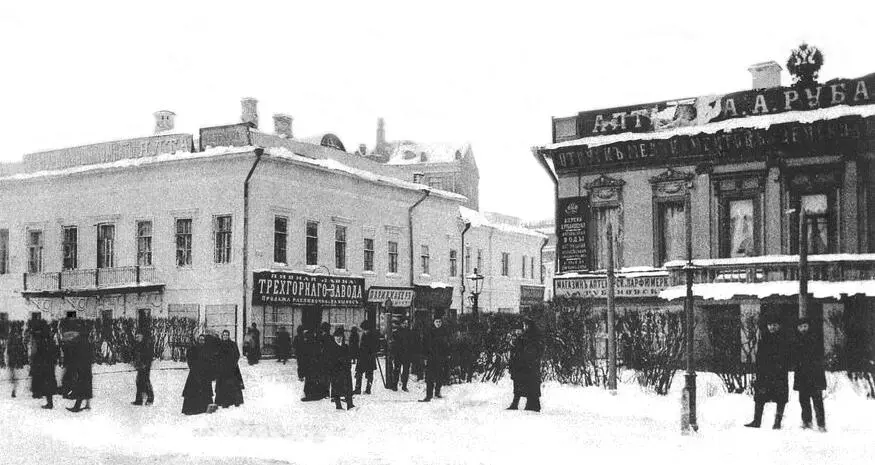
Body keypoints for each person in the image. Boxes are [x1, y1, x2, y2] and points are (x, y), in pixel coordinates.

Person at [745, 315, 790, 429]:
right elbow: (760, 357)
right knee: (760, 397)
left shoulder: (784, 339)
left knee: (781, 398)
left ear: (779, 326)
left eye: (774, 325)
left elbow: (787, 356)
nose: (772, 327)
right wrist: (758, 371)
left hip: (779, 373)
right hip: (765, 373)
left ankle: (777, 422)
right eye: (770, 325)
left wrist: (781, 366)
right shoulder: (764, 339)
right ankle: (756, 421)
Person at [793, 317, 827, 431]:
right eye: (801, 326)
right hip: (802, 374)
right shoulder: (796, 340)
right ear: (798, 328)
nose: (803, 329)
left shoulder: (815, 338)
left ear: (809, 326)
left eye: (805, 326)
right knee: (804, 400)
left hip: (815, 374)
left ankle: (821, 424)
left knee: (817, 400)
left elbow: (819, 356)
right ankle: (807, 421)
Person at [507, 318, 543, 412]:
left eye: (526, 325)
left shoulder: (532, 337)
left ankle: (531, 405)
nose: (524, 327)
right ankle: (523, 404)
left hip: (528, 366)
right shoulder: (525, 337)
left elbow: (530, 352)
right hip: (523, 366)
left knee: (530, 386)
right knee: (523, 385)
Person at [29, 318, 58, 409]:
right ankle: (49, 402)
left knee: (43, 382)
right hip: (49, 363)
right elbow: (54, 349)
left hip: (41, 363)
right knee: (48, 382)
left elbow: (35, 351)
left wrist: (33, 361)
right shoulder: (48, 337)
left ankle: (48, 402)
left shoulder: (39, 338)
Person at [420, 315, 449, 402]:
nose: (438, 323)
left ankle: (437, 392)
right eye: (436, 322)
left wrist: (447, 355)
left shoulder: (444, 332)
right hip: (431, 357)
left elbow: (447, 345)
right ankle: (429, 395)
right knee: (429, 377)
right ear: (433, 322)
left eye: (440, 322)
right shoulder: (429, 332)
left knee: (440, 376)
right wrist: (425, 356)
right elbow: (424, 345)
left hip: (441, 357)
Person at [182, 335, 214, 415]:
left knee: (205, 392)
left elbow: (210, 361)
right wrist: (193, 368)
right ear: (198, 340)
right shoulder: (193, 349)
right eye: (200, 339)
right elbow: (190, 359)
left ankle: (204, 408)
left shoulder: (207, 350)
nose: (202, 341)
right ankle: (191, 409)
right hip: (194, 373)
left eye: (203, 340)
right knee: (192, 391)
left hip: (205, 375)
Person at [215, 330, 245, 408]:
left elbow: (237, 354)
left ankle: (235, 401)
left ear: (229, 336)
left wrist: (232, 363)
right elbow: (216, 355)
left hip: (232, 368)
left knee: (233, 385)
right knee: (222, 385)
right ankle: (223, 401)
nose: (225, 336)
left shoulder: (232, 344)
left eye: (227, 335)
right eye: (224, 335)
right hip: (222, 368)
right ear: (222, 336)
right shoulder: (219, 344)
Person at [327, 327, 355, 410]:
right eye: (337, 337)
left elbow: (348, 357)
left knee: (348, 388)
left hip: (345, 371)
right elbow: (329, 360)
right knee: (336, 388)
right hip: (336, 371)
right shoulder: (331, 347)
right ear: (334, 337)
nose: (339, 338)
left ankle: (350, 405)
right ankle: (338, 406)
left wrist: (348, 365)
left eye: (340, 337)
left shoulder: (345, 347)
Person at [65, 330, 93, 413]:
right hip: (88, 368)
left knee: (81, 386)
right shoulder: (88, 343)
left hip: (82, 368)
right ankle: (87, 404)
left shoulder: (80, 344)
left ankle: (77, 407)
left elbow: (76, 356)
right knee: (87, 386)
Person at [354, 321, 379, 394]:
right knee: (359, 373)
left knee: (368, 374)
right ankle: (358, 389)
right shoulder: (365, 335)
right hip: (363, 358)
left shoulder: (372, 336)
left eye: (365, 329)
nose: (364, 331)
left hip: (368, 358)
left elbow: (375, 347)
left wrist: (373, 351)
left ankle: (367, 389)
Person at [131, 331, 154, 406]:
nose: (137, 338)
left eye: (138, 337)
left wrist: (145, 365)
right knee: (139, 382)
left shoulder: (145, 345)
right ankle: (139, 400)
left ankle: (150, 399)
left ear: (142, 336)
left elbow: (149, 356)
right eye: (136, 337)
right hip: (140, 366)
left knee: (145, 382)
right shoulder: (138, 345)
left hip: (145, 366)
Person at [6, 321, 27, 398]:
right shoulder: (17, 336)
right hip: (16, 358)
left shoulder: (12, 336)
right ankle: (14, 388)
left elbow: (9, 349)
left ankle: (14, 389)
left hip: (13, 358)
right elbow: (20, 347)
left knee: (14, 374)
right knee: (15, 374)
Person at [390, 325, 413, 392]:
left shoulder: (409, 333)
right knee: (396, 370)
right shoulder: (396, 333)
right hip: (398, 354)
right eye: (403, 323)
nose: (404, 324)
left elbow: (411, 343)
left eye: (406, 323)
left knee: (405, 371)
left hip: (407, 354)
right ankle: (395, 385)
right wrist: (393, 353)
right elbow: (394, 344)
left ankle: (404, 386)